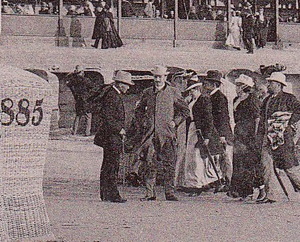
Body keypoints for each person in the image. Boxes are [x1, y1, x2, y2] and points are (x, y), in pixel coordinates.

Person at [254, 72, 300, 203]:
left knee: (287, 167)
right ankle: (270, 195)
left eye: (271, 83)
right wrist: (260, 136)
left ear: (278, 85)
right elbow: (262, 120)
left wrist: (286, 121)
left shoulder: (289, 98)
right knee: (266, 165)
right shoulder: (267, 100)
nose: (268, 85)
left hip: (282, 138)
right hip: (268, 137)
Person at [136, 65, 181, 201]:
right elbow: (138, 110)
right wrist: (143, 122)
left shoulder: (173, 92)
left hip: (167, 134)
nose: (157, 79)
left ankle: (169, 192)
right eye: (155, 77)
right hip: (151, 134)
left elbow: (184, 111)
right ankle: (150, 193)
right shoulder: (147, 92)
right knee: (150, 163)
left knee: (169, 164)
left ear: (165, 77)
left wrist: (175, 122)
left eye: (160, 77)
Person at [92, 70, 133, 203]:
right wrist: (119, 129)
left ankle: (106, 194)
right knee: (112, 165)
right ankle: (113, 195)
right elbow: (108, 118)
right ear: (120, 84)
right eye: (126, 84)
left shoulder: (113, 94)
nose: (128, 87)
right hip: (111, 136)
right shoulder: (112, 96)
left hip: (109, 136)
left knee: (108, 165)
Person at [192, 69, 233, 190]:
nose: (205, 85)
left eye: (208, 83)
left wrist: (222, 135)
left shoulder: (219, 97)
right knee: (216, 157)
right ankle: (220, 181)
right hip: (213, 132)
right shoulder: (210, 96)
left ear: (215, 84)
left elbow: (223, 118)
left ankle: (228, 182)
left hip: (221, 133)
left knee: (224, 157)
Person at [227, 73, 263, 199]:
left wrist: (256, 135)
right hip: (239, 132)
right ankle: (240, 190)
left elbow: (257, 118)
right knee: (238, 162)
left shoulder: (253, 99)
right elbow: (235, 115)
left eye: (239, 85)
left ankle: (252, 190)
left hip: (249, 133)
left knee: (249, 162)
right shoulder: (236, 99)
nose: (237, 87)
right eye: (236, 85)